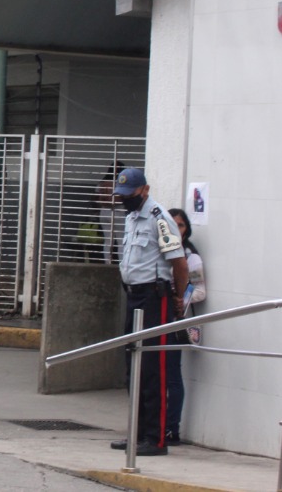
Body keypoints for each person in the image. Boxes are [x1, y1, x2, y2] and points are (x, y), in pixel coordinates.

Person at [108, 168, 189, 457]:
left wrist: (179, 297)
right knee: (134, 368)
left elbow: (179, 264)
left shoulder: (160, 218)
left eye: (129, 195)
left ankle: (155, 439)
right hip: (133, 296)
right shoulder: (131, 218)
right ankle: (137, 434)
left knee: (154, 369)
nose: (125, 200)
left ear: (144, 190)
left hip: (155, 298)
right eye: (121, 196)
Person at [165, 207, 206, 445]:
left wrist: (181, 299)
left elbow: (200, 290)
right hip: (154, 318)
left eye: (180, 225)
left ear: (186, 229)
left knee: (172, 376)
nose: (176, 229)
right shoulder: (159, 252)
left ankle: (172, 429)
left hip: (175, 321)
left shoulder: (191, 257)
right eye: (172, 224)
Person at [94, 162, 125, 264]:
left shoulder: (102, 182)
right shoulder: (120, 182)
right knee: (121, 241)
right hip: (118, 212)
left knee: (108, 241)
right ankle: (122, 263)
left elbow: (96, 198)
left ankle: (107, 263)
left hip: (104, 213)